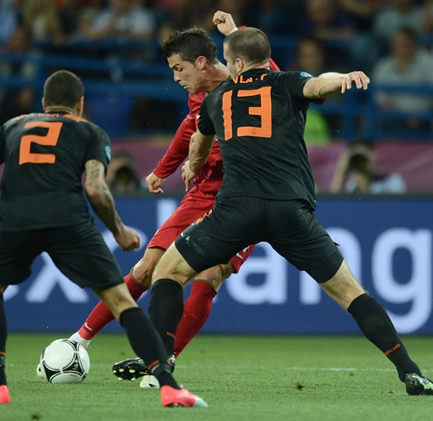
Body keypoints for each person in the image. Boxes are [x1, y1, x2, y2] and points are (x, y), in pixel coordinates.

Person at [145, 27, 433, 396]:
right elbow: (318, 86)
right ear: (266, 57)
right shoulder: (287, 81)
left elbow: (199, 141)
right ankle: (409, 371)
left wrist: (193, 165)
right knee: (349, 292)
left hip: (235, 210)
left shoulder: (217, 98)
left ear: (235, 62)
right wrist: (342, 78)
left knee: (168, 273)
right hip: (289, 211)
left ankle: (162, 363)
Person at [0, 69, 206, 408]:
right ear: (80, 104)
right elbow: (94, 187)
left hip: (15, 219)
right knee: (121, 301)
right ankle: (167, 384)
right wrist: (118, 230)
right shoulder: (89, 131)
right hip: (68, 221)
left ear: (44, 103)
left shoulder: (14, 125)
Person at [68, 11, 280, 388]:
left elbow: (273, 77)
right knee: (147, 268)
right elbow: (190, 129)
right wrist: (162, 170)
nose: (175, 78)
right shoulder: (199, 96)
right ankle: (77, 342)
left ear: (201, 62)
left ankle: (164, 361)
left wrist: (236, 31)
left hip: (246, 193)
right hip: (202, 193)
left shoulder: (242, 79)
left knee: (211, 274)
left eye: (179, 68)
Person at [330, 138, 407, 194]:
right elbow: (334, 205)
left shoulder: (392, 180)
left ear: (372, 155)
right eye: (356, 158)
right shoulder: (352, 185)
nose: (359, 161)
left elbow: (398, 209)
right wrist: (340, 172)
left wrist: (364, 185)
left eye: (362, 157)